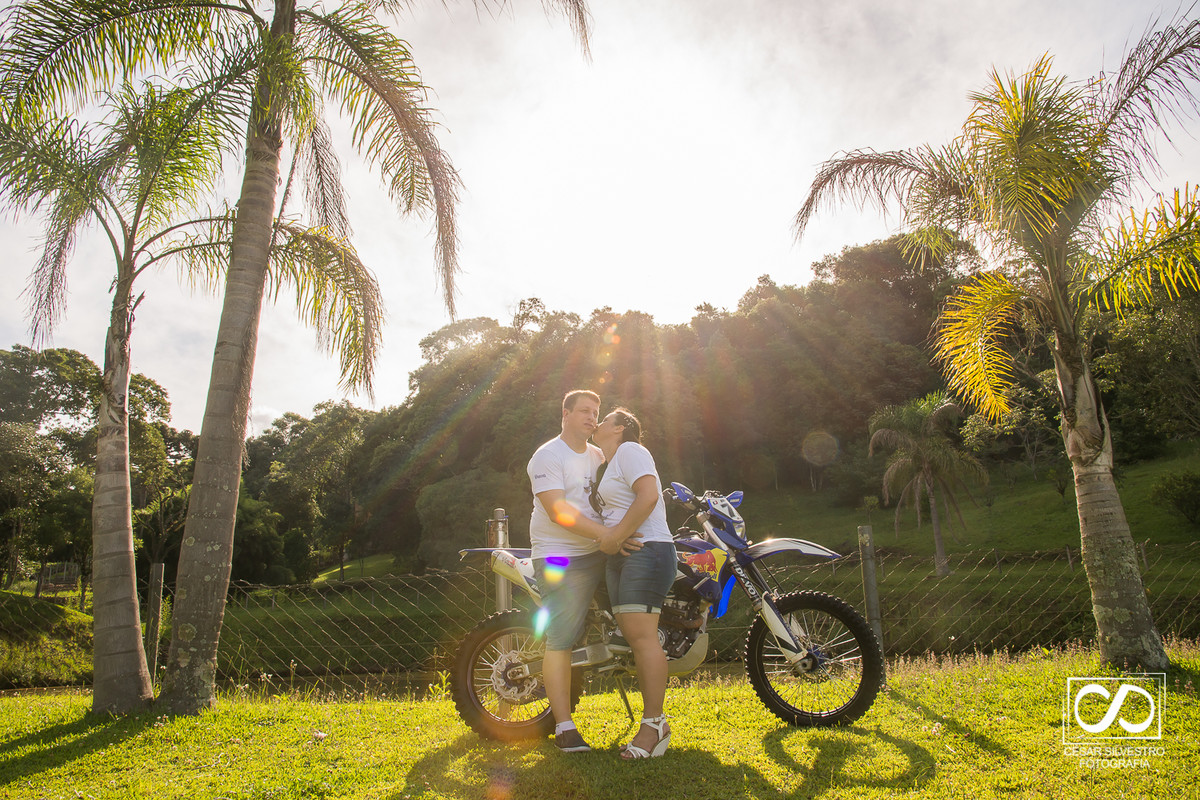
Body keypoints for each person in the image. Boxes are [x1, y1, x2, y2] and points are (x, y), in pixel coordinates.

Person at [527, 389, 636, 753]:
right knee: (561, 637)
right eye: (585, 411)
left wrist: (624, 533)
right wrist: (608, 535)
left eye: (597, 412)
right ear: (566, 413)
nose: (592, 417)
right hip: (559, 557)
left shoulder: (599, 455)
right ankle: (564, 727)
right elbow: (559, 510)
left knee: (635, 612)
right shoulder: (547, 456)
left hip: (599, 550)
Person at [589, 406, 675, 759]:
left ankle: (654, 726)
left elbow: (649, 496)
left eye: (604, 418)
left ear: (621, 427)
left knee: (642, 637)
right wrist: (612, 539)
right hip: (622, 554)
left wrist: (617, 536)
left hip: (648, 548)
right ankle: (654, 723)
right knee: (635, 639)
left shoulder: (631, 450)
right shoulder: (607, 466)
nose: (596, 423)